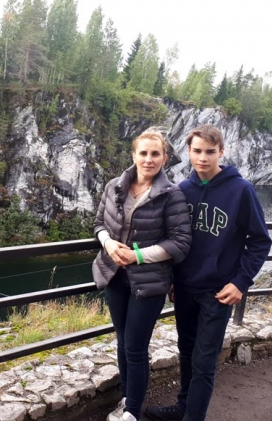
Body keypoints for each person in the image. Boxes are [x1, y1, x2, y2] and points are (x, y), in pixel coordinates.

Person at [142, 124, 272, 421]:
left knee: (204, 361)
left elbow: (260, 241)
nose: (203, 158)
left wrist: (240, 282)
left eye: (210, 152)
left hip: (219, 291)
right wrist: (174, 279)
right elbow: (175, 240)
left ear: (221, 152)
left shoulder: (241, 190)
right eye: (197, 151)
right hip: (185, 287)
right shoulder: (182, 190)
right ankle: (183, 407)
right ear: (188, 151)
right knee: (186, 350)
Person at [92, 129, 192, 421]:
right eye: (143, 153)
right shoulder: (114, 186)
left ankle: (132, 412)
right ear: (134, 155)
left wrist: (136, 256)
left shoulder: (172, 195)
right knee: (123, 342)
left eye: (155, 154)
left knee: (135, 347)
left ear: (165, 158)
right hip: (114, 275)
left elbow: (180, 242)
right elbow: (99, 223)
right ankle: (127, 398)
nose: (149, 159)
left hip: (150, 280)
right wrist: (109, 244)